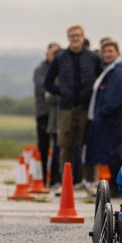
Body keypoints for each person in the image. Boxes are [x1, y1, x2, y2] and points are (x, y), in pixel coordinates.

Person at [44, 24, 103, 188]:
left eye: (77, 35)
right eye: (72, 36)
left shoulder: (92, 57)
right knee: (65, 145)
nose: (75, 39)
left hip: (86, 108)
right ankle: (66, 182)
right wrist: (61, 92)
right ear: (68, 38)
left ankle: (89, 182)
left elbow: (102, 79)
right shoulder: (59, 58)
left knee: (87, 145)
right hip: (66, 109)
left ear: (83, 37)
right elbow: (47, 82)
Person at [83, 39, 122, 196]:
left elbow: (116, 96)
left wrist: (104, 111)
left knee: (114, 154)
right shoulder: (110, 69)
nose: (107, 54)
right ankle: (114, 185)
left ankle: (116, 187)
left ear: (117, 52)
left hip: (113, 121)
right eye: (104, 52)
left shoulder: (118, 71)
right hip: (110, 120)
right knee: (111, 154)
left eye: (110, 51)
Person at [33, 42, 60, 187]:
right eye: (53, 53)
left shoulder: (60, 68)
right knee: (43, 146)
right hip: (44, 112)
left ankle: (55, 178)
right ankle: (41, 178)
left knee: (57, 146)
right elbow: (43, 88)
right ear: (47, 55)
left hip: (57, 113)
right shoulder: (40, 69)